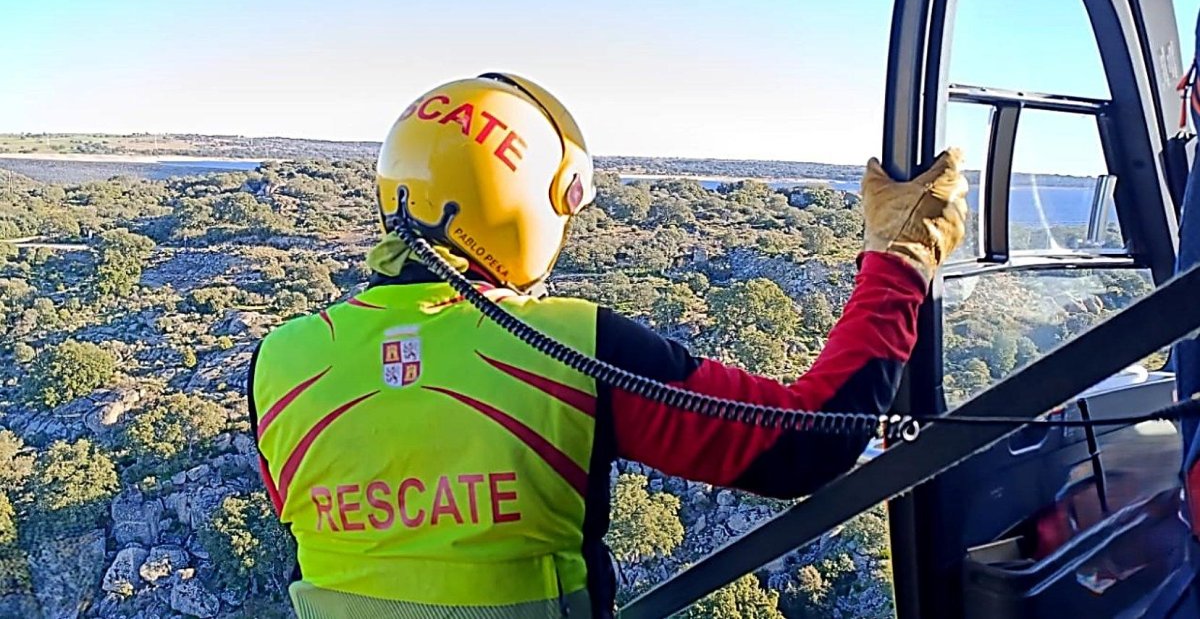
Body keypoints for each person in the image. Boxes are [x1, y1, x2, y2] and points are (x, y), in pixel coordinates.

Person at [246, 72, 969, 618]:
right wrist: (900, 259)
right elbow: (807, 441)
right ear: (530, 204)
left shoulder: (279, 362)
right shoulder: (567, 348)